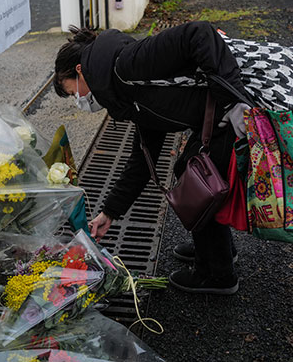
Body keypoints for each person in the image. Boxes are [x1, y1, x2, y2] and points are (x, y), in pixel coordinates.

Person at [53, 21, 250, 295]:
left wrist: (232, 99)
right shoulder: (125, 92)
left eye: (73, 91)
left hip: (234, 107)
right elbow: (142, 160)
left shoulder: (127, 65)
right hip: (216, 113)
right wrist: (110, 212)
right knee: (190, 171)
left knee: (200, 183)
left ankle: (217, 275)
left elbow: (198, 34)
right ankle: (217, 251)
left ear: (80, 71)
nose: (79, 100)